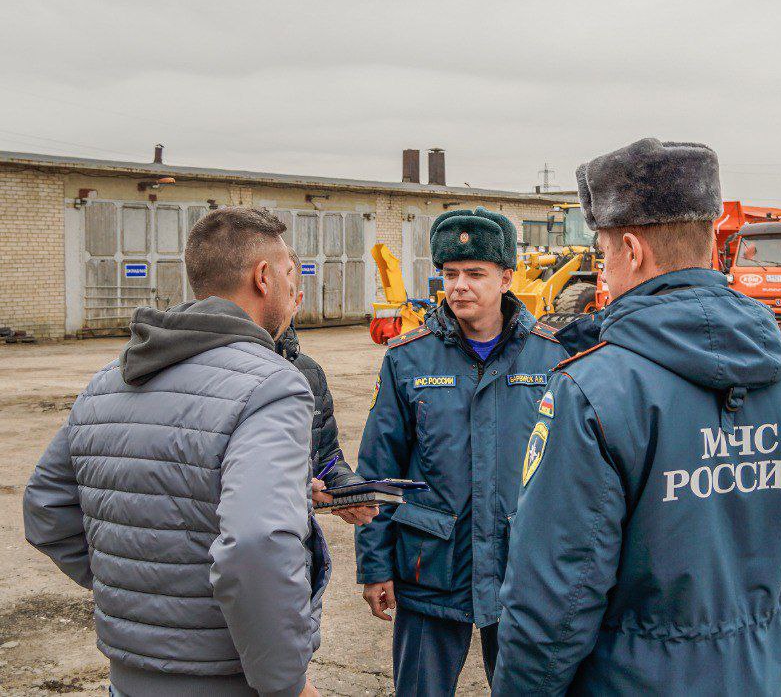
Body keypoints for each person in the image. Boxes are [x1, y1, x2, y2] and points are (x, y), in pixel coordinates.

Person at [493, 139, 781, 696]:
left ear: (632, 251)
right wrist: (777, 678)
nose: (603, 269)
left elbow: (553, 600)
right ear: (709, 239)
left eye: (603, 252)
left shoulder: (590, 391)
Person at [23, 206, 324, 697]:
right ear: (264, 277)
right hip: (227, 676)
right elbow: (255, 543)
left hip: (130, 674)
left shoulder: (109, 379)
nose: (297, 290)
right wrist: (285, 683)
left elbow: (45, 509)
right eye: (293, 274)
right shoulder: (272, 385)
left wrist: (144, 592)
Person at [355, 207, 567, 696]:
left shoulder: (551, 357)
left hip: (522, 570)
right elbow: (378, 471)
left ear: (506, 278)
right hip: (429, 568)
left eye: (475, 274)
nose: (460, 286)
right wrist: (375, 565)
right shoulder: (408, 358)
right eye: (450, 274)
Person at [275, 254, 377, 526]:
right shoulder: (205, 369)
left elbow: (327, 456)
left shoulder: (309, 374)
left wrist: (350, 488)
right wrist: (290, 489)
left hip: (298, 550)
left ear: (296, 301)